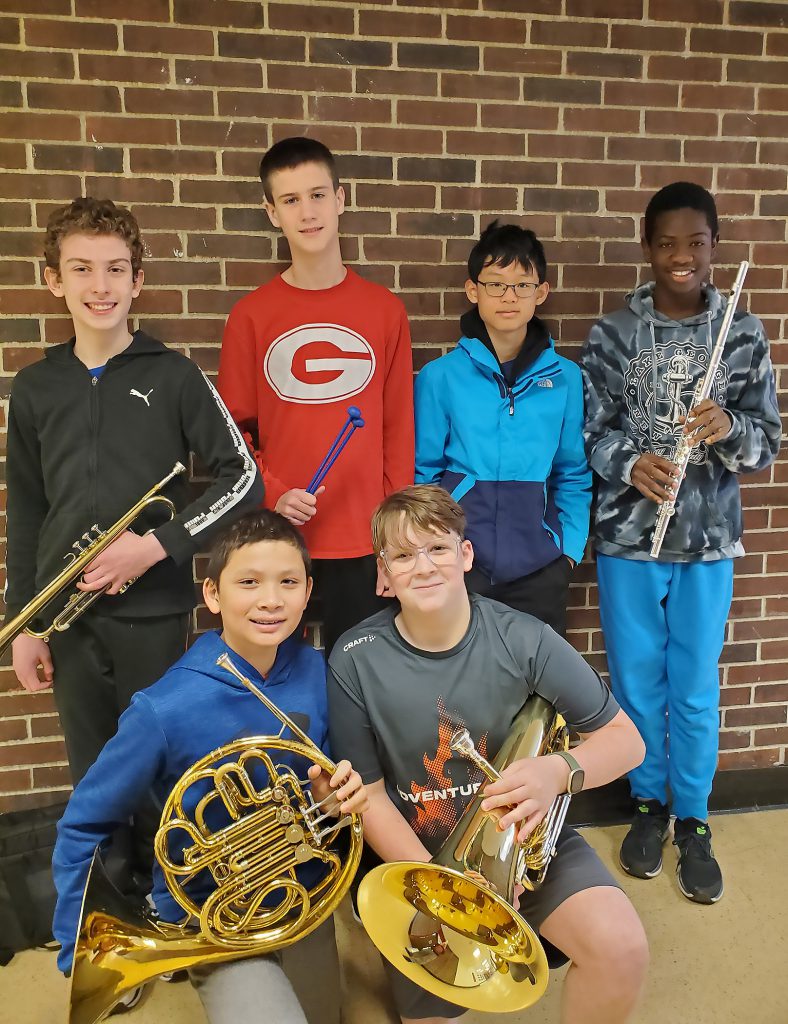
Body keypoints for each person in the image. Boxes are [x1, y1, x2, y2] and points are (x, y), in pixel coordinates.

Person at [5, 196, 263, 884]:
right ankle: (110, 919)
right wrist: (22, 625)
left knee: (161, 765)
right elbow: (26, 515)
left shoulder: (173, 375)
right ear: (53, 279)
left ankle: (171, 904)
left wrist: (156, 546)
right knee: (95, 776)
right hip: (67, 622)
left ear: (138, 280)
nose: (100, 286)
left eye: (116, 269)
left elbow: (244, 479)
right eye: (82, 269)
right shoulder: (34, 389)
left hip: (152, 614)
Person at [328, 485, 649, 1024]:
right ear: (382, 572)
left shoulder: (524, 638)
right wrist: (445, 891)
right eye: (403, 556)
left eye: (437, 548)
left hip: (524, 846)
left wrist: (557, 771)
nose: (423, 567)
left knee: (621, 949)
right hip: (419, 857)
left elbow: (628, 741)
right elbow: (373, 796)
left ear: (465, 555)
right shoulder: (354, 659)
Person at [51, 509, 368, 1023]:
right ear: (213, 595)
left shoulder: (316, 670)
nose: (270, 600)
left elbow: (319, 787)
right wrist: (75, 943)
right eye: (248, 582)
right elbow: (82, 825)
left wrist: (332, 801)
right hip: (213, 920)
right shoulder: (163, 708)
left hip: (305, 900)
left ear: (308, 591)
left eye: (287, 582)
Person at [579, 181, 781, 904]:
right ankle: (646, 805)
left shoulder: (744, 331)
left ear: (714, 246)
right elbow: (589, 434)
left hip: (706, 545)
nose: (681, 257)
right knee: (636, 689)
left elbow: (768, 445)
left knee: (694, 688)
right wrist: (632, 464)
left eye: (696, 242)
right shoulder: (611, 335)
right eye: (666, 243)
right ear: (647, 248)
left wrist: (730, 429)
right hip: (630, 541)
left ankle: (692, 818)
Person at [218, 136, 415, 657]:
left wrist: (394, 543)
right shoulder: (251, 316)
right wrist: (274, 490)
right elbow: (232, 435)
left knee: (361, 694)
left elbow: (398, 433)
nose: (307, 213)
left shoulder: (385, 311)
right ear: (271, 212)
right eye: (290, 200)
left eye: (317, 195)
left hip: (363, 543)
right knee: (280, 694)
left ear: (341, 198)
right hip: (280, 542)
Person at [414, 221, 590, 637]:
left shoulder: (565, 378)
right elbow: (423, 474)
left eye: (522, 285)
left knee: (536, 693)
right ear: (473, 290)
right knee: (459, 690)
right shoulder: (440, 377)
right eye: (495, 284)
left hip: (540, 567)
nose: (508, 297)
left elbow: (573, 473)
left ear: (540, 293)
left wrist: (567, 553)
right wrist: (435, 552)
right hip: (460, 564)